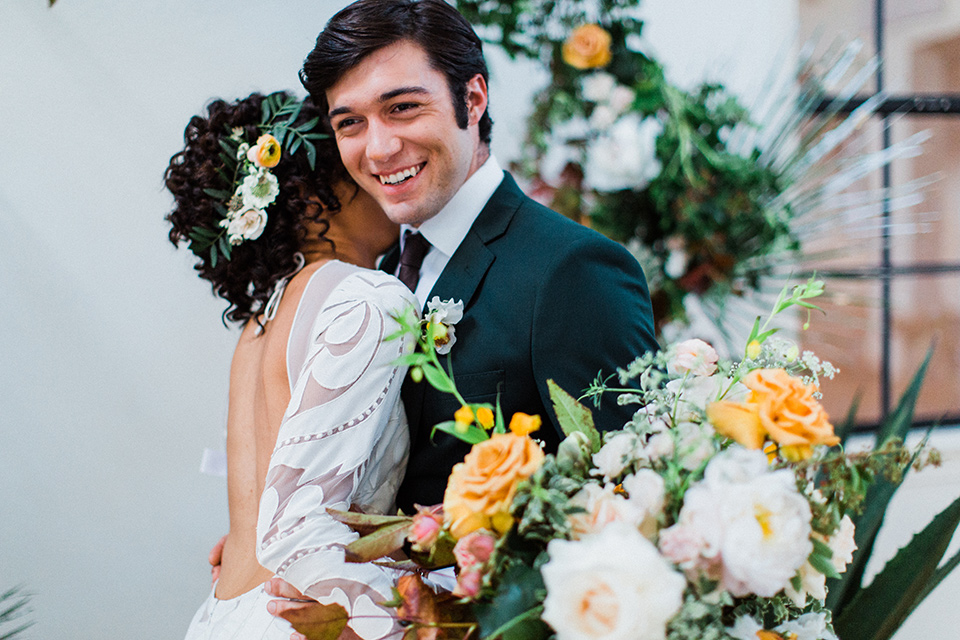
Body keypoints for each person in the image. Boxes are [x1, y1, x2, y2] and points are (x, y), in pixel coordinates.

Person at [265, 0, 659, 635]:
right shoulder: (377, 271)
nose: (380, 147)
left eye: (402, 108)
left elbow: (633, 519)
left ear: (472, 99)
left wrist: (391, 605)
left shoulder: (572, 271)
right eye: (350, 123)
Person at [166, 91, 417, 640]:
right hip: (302, 619)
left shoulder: (259, 322)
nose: (380, 171)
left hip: (218, 617)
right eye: (354, 166)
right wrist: (421, 620)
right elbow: (300, 529)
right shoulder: (365, 298)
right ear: (307, 197)